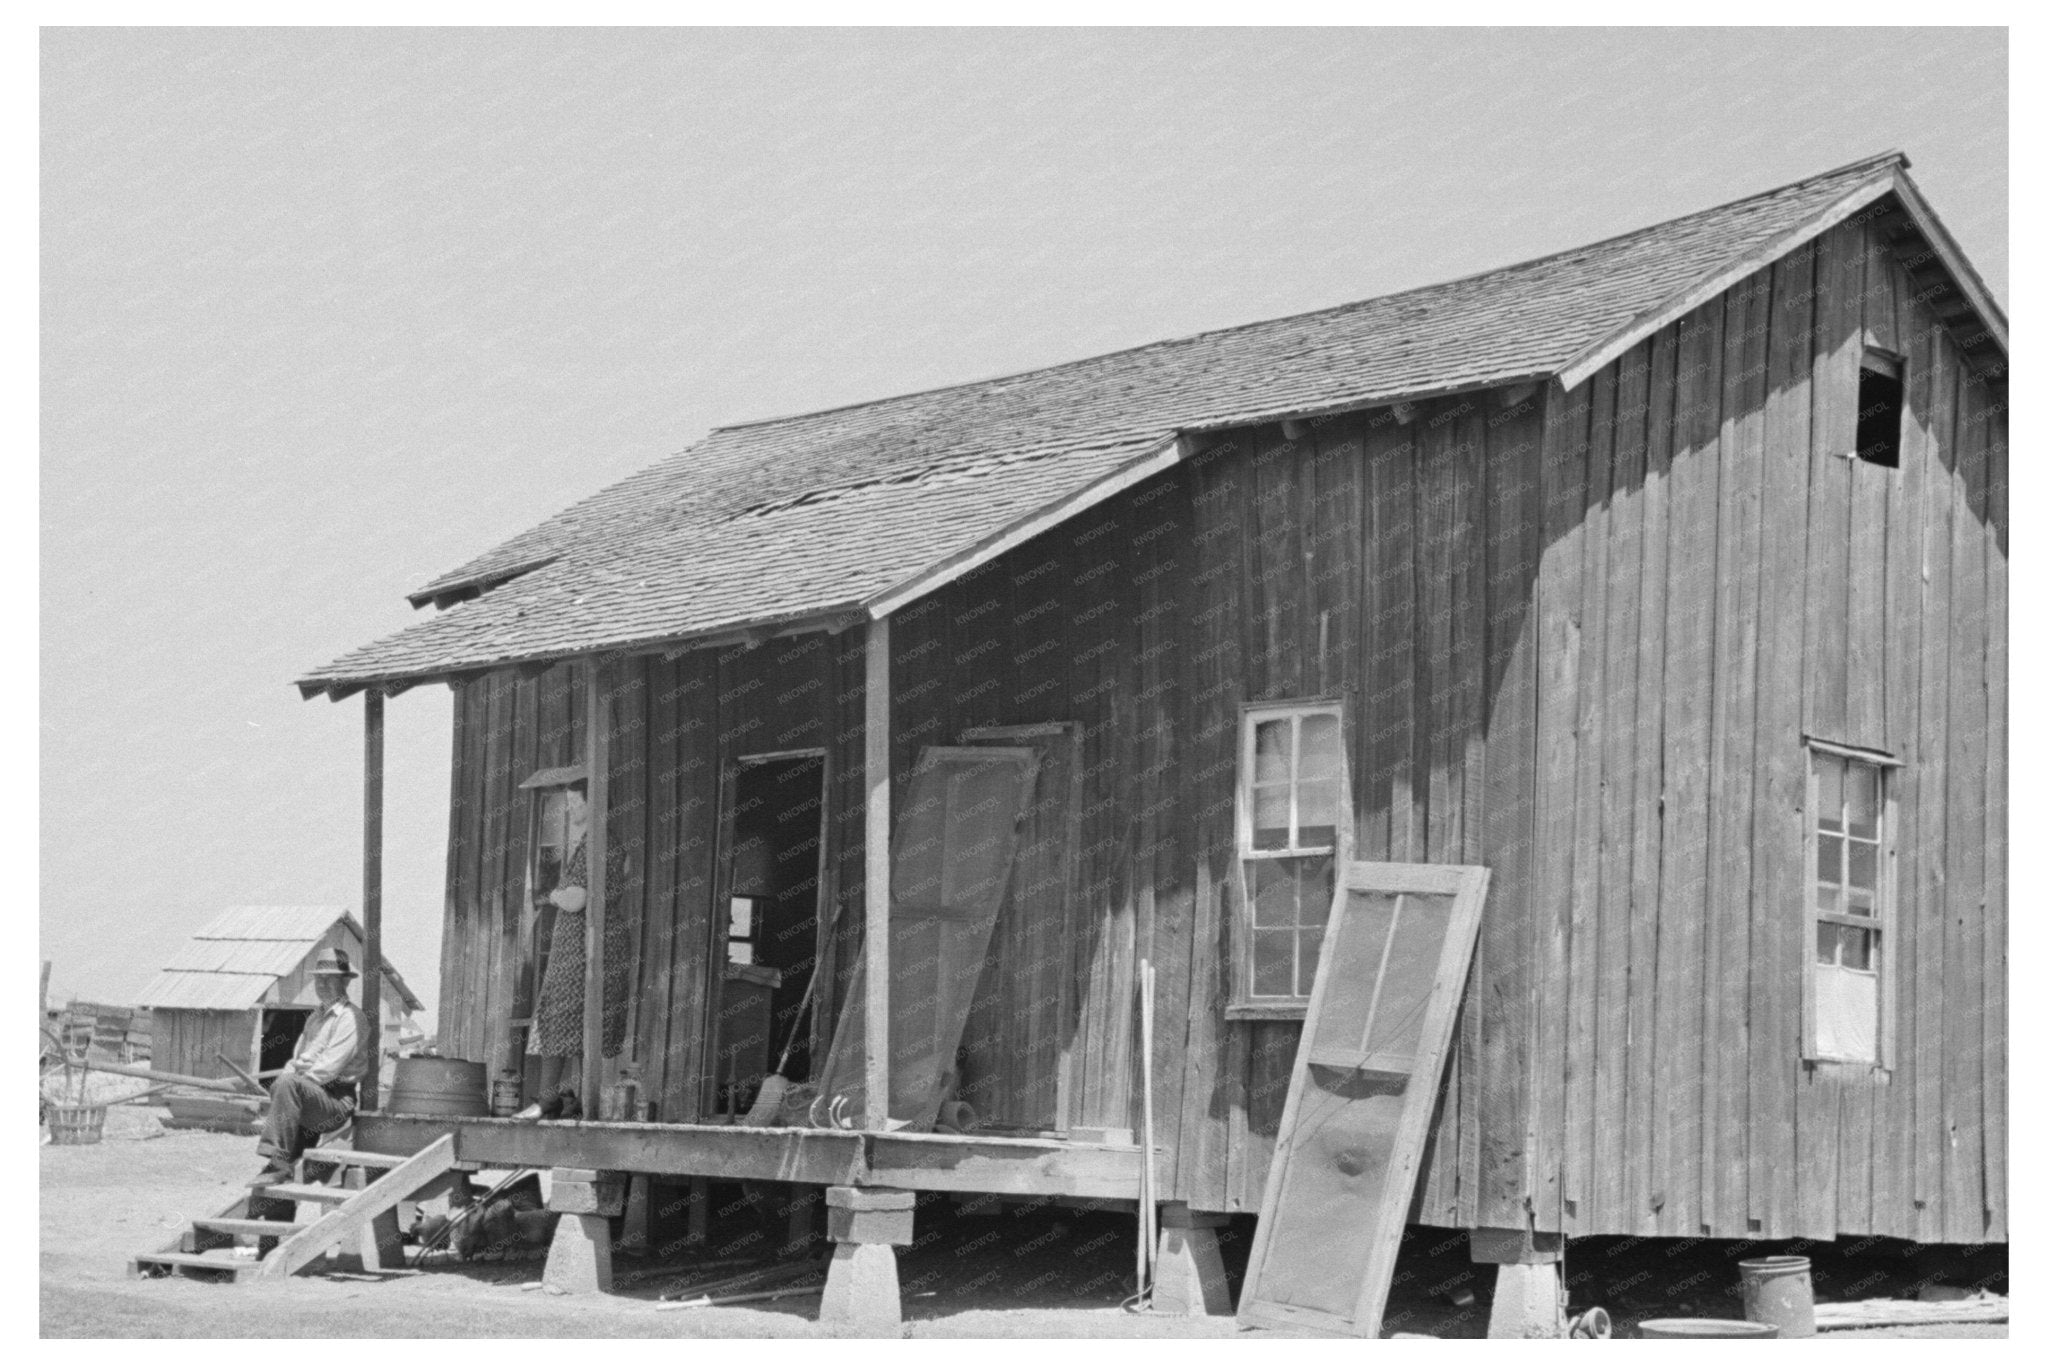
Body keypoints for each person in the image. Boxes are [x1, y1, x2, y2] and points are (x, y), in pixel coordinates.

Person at [530, 780, 632, 1107]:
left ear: (594, 804)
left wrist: (554, 895)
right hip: (586, 944)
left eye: (575, 801)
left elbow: (576, 899)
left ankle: (551, 1103)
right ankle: (572, 1101)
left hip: (587, 946)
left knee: (565, 1018)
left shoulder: (599, 845)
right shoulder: (598, 843)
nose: (570, 807)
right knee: (578, 1023)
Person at [251, 948, 369, 1185]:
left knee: (287, 1083)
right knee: (284, 1083)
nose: (323, 984)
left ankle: (277, 1158)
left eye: (330, 978)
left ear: (344, 981)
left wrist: (291, 1083)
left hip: (335, 1101)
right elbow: (296, 1060)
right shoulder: (314, 1018)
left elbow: (327, 1069)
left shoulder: (351, 1018)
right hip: (309, 1096)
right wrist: (285, 1085)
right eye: (319, 978)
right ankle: (278, 1193)